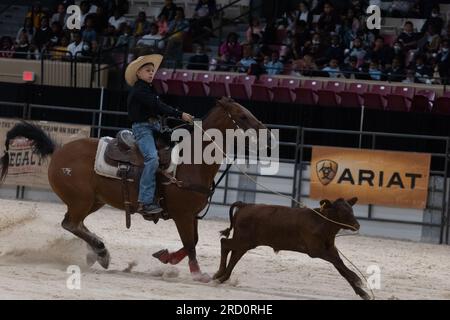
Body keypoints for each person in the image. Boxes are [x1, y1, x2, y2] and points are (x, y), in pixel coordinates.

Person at [125, 54, 194, 216]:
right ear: (138, 73)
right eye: (147, 70)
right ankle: (145, 200)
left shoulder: (148, 89)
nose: (151, 73)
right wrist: (180, 114)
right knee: (152, 159)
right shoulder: (139, 91)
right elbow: (157, 105)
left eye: (152, 71)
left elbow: (157, 107)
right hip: (142, 129)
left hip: (154, 127)